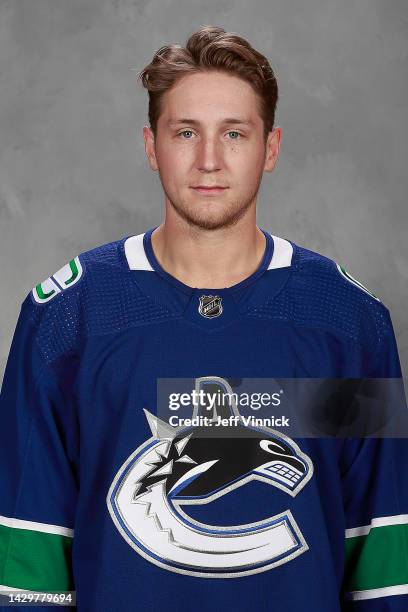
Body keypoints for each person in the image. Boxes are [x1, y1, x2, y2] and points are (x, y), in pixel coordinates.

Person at [0, 24, 407, 612]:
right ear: (150, 145)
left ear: (270, 148)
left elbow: (383, 564)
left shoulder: (347, 325)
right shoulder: (68, 320)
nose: (209, 159)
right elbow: (27, 567)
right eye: (185, 131)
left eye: (234, 133)